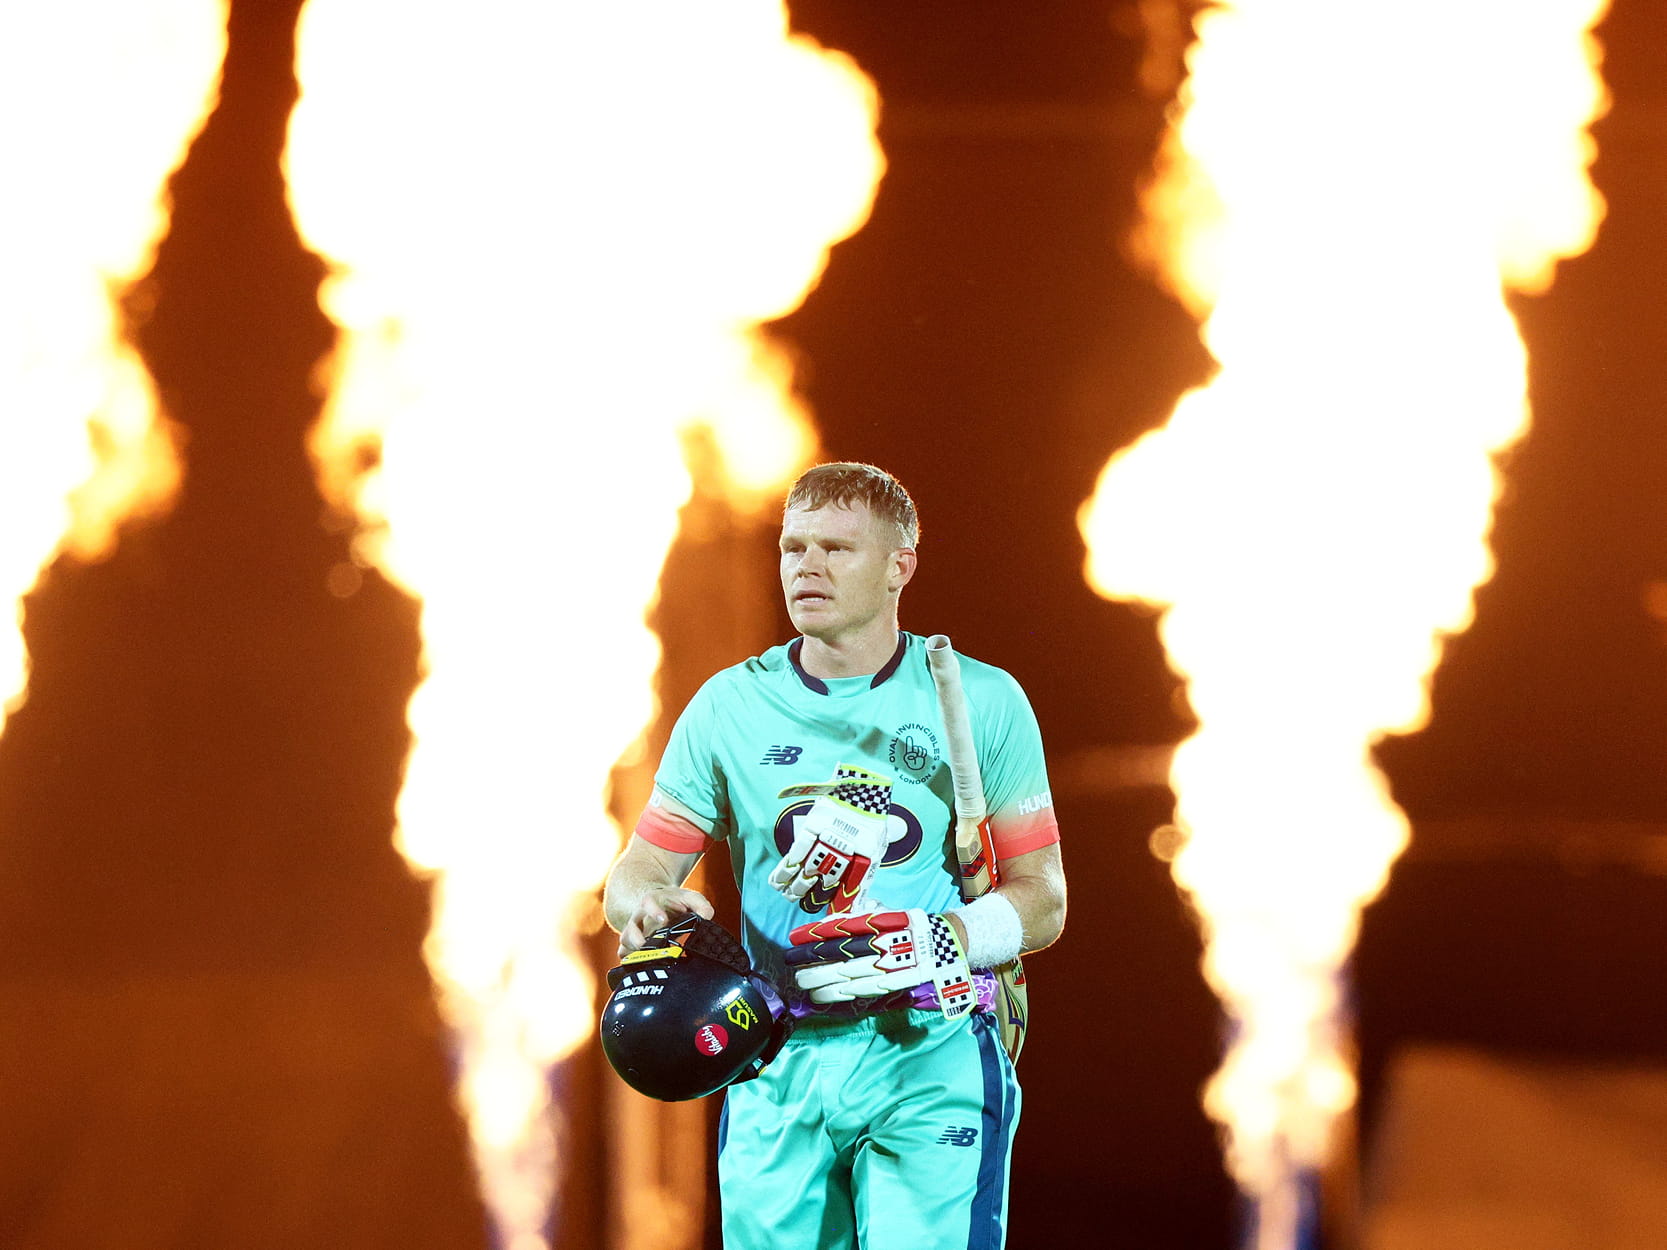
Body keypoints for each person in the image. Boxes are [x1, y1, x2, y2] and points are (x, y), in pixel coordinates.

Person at [603, 461, 1066, 1250]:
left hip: (929, 1055)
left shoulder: (979, 699)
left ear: (899, 567)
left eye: (836, 549)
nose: (806, 567)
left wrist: (946, 941)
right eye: (793, 548)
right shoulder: (728, 706)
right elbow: (636, 874)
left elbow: (1044, 902)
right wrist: (647, 904)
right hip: (775, 1061)